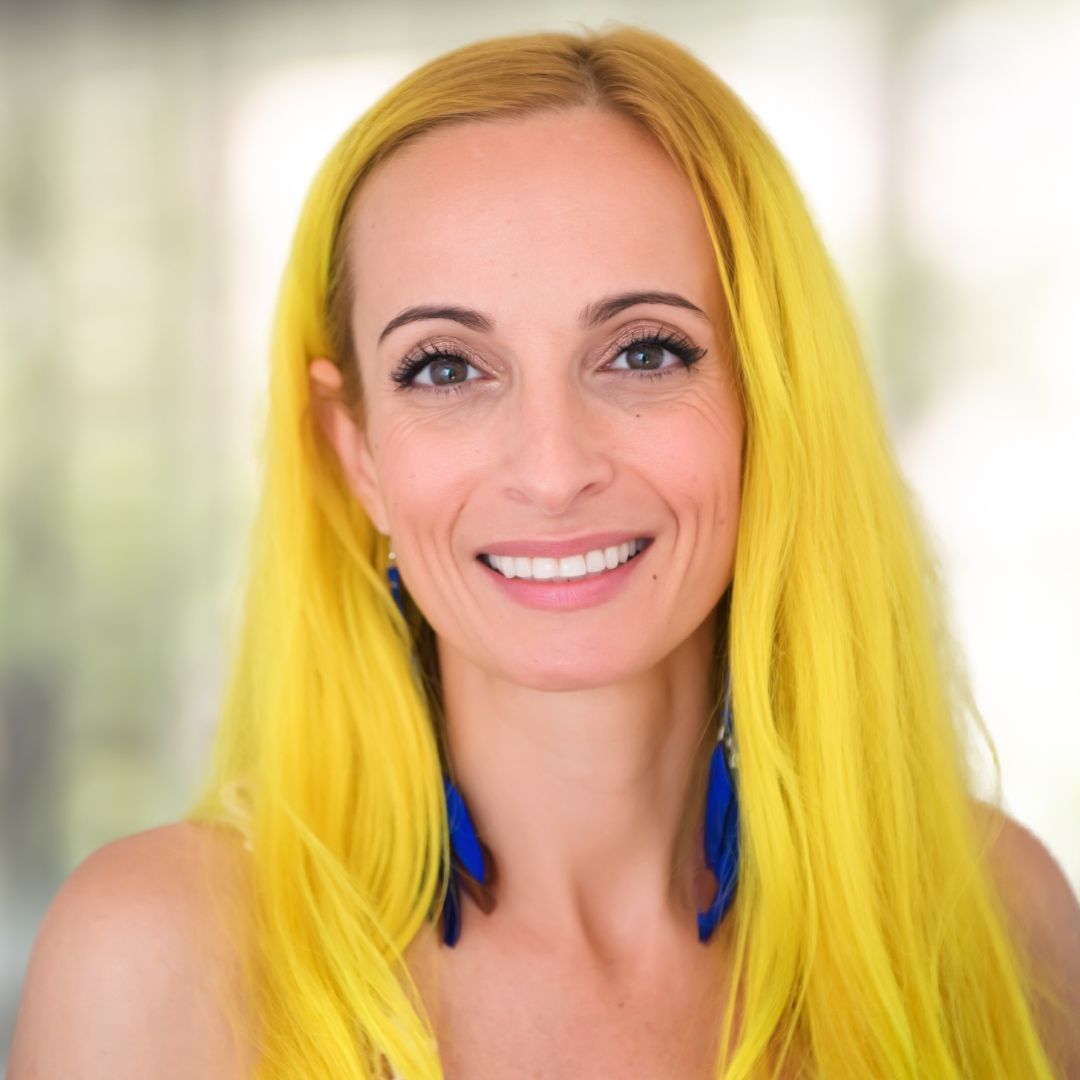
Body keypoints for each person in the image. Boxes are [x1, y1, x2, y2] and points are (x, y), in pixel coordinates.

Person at [9, 26, 1079, 1080]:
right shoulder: (159, 957)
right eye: (445, 370)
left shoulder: (996, 916)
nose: (554, 469)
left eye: (644, 352)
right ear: (356, 452)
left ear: (775, 404)